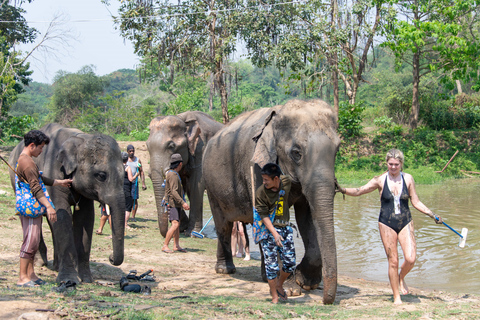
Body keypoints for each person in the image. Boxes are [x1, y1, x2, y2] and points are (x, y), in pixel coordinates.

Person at [337, 148, 443, 304]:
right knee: (393, 261)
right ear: (386, 163)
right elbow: (361, 190)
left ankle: (400, 277)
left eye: (396, 164)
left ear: (401, 164)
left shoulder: (408, 179)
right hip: (386, 223)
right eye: (390, 164)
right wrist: (342, 189)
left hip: (406, 221)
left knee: (411, 258)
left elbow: (416, 202)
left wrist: (432, 214)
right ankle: (396, 297)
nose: (393, 167)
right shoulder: (380, 180)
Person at [15, 130, 72, 287]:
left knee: (33, 242)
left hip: (32, 208)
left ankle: (30, 274)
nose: (41, 151)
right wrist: (49, 207)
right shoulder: (26, 162)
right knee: (31, 241)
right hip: (30, 208)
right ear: (32, 145)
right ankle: (22, 277)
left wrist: (59, 182)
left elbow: (38, 179)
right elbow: (35, 187)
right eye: (40, 148)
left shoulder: (27, 160)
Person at [256, 163, 295, 304]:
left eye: (267, 179)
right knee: (271, 265)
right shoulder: (261, 192)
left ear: (276, 179)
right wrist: (274, 233)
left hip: (285, 228)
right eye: (263, 179)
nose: (264, 182)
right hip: (269, 230)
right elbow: (263, 215)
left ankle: (279, 284)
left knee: (290, 263)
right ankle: (274, 296)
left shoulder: (286, 183)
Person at [162, 153, 190, 253]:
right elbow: (174, 191)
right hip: (173, 203)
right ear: (180, 164)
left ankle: (176, 245)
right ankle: (165, 245)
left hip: (175, 203)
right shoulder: (173, 175)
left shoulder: (172, 173)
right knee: (175, 224)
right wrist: (183, 203)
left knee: (177, 224)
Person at [126, 144, 146, 222]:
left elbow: (141, 171)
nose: (132, 152)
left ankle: (133, 216)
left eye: (133, 151)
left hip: (134, 183)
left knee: (134, 199)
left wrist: (143, 183)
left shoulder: (137, 160)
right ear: (127, 152)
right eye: (130, 151)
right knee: (126, 199)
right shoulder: (125, 160)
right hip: (126, 183)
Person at [122, 151, 139, 233]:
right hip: (126, 189)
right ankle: (125, 224)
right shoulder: (127, 167)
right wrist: (136, 174)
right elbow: (131, 179)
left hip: (118, 189)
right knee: (128, 207)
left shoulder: (117, 167)